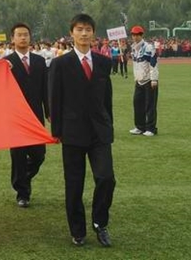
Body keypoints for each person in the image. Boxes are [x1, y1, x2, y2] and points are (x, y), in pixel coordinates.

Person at [49, 14, 115, 248]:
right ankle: (77, 231)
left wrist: (110, 125)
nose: (84, 33)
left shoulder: (104, 63)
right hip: (72, 132)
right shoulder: (60, 64)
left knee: (106, 178)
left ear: (94, 34)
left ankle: (100, 222)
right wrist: (56, 130)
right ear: (72, 33)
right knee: (74, 184)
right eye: (80, 29)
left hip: (99, 132)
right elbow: (54, 98)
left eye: (88, 29)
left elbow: (107, 98)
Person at [5, 23, 49, 208]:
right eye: (19, 35)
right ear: (12, 39)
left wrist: (49, 112)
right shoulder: (6, 63)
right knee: (19, 156)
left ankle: (21, 179)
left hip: (35, 116)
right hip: (15, 118)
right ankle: (23, 194)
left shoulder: (39, 61)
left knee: (39, 155)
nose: (23, 38)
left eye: (26, 35)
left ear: (30, 38)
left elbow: (46, 89)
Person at [129, 26, 159, 137]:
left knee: (150, 105)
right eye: (133, 35)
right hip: (139, 80)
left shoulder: (148, 47)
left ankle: (151, 128)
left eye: (137, 35)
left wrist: (154, 79)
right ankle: (139, 127)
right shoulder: (133, 48)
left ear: (142, 35)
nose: (135, 37)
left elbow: (153, 63)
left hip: (149, 80)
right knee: (137, 104)